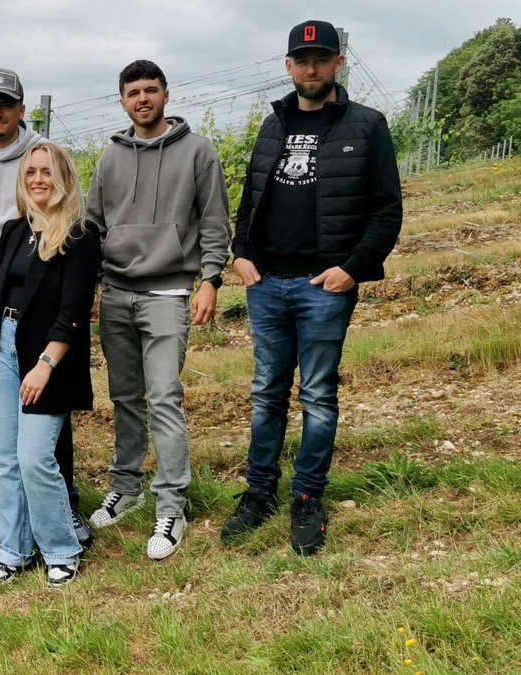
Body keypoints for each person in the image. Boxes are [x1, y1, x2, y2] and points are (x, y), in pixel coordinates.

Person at [223, 20, 402, 555]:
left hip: (323, 286)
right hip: (267, 283)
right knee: (266, 396)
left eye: (321, 59)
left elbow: (387, 210)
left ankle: (307, 497)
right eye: (302, 60)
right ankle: (259, 493)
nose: (311, 69)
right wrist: (240, 252)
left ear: (337, 64)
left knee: (319, 396)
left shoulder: (366, 125)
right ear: (288, 67)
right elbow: (251, 197)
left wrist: (354, 267)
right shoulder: (272, 124)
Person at [84, 60, 232, 561]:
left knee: (164, 396)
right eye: (133, 92)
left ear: (166, 94)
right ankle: (126, 487)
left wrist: (210, 279)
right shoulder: (109, 158)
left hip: (169, 294)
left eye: (150, 90)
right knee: (124, 396)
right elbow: (94, 227)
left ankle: (171, 506)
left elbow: (214, 222)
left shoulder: (198, 152)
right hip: (117, 293)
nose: (142, 99)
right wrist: (91, 288)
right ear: (122, 101)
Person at [0, 68, 91, 549]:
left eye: (7, 104)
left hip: (42, 292)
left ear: (21, 110)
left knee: (48, 411)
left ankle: (62, 505)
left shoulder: (41, 158)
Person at [0, 143, 100, 587]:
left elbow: (74, 311)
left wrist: (44, 365)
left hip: (49, 355)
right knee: (3, 458)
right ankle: (13, 551)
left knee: (35, 457)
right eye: (31, 172)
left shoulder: (80, 234)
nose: (38, 179)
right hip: (2, 346)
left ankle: (61, 548)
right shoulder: (12, 231)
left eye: (47, 172)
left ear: (62, 178)